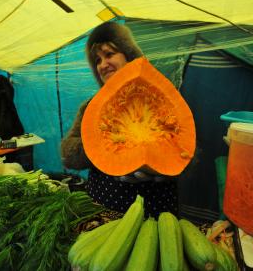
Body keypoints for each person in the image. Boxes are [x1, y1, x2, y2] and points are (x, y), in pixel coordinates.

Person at [60, 21, 178, 217]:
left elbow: (183, 147)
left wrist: (166, 167)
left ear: (129, 56)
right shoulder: (90, 106)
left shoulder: (160, 94)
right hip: (104, 205)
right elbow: (68, 153)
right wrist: (104, 149)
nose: (102, 65)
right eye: (97, 60)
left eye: (109, 54)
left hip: (155, 207)